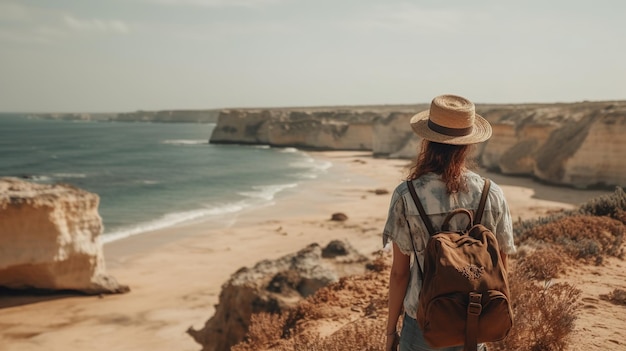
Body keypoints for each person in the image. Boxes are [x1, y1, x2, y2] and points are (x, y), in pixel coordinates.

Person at [383, 94, 517, 351]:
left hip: (422, 323)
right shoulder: (491, 193)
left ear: (428, 141)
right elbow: (501, 268)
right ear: (468, 145)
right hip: (474, 319)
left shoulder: (406, 195)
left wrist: (391, 333)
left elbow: (400, 274)